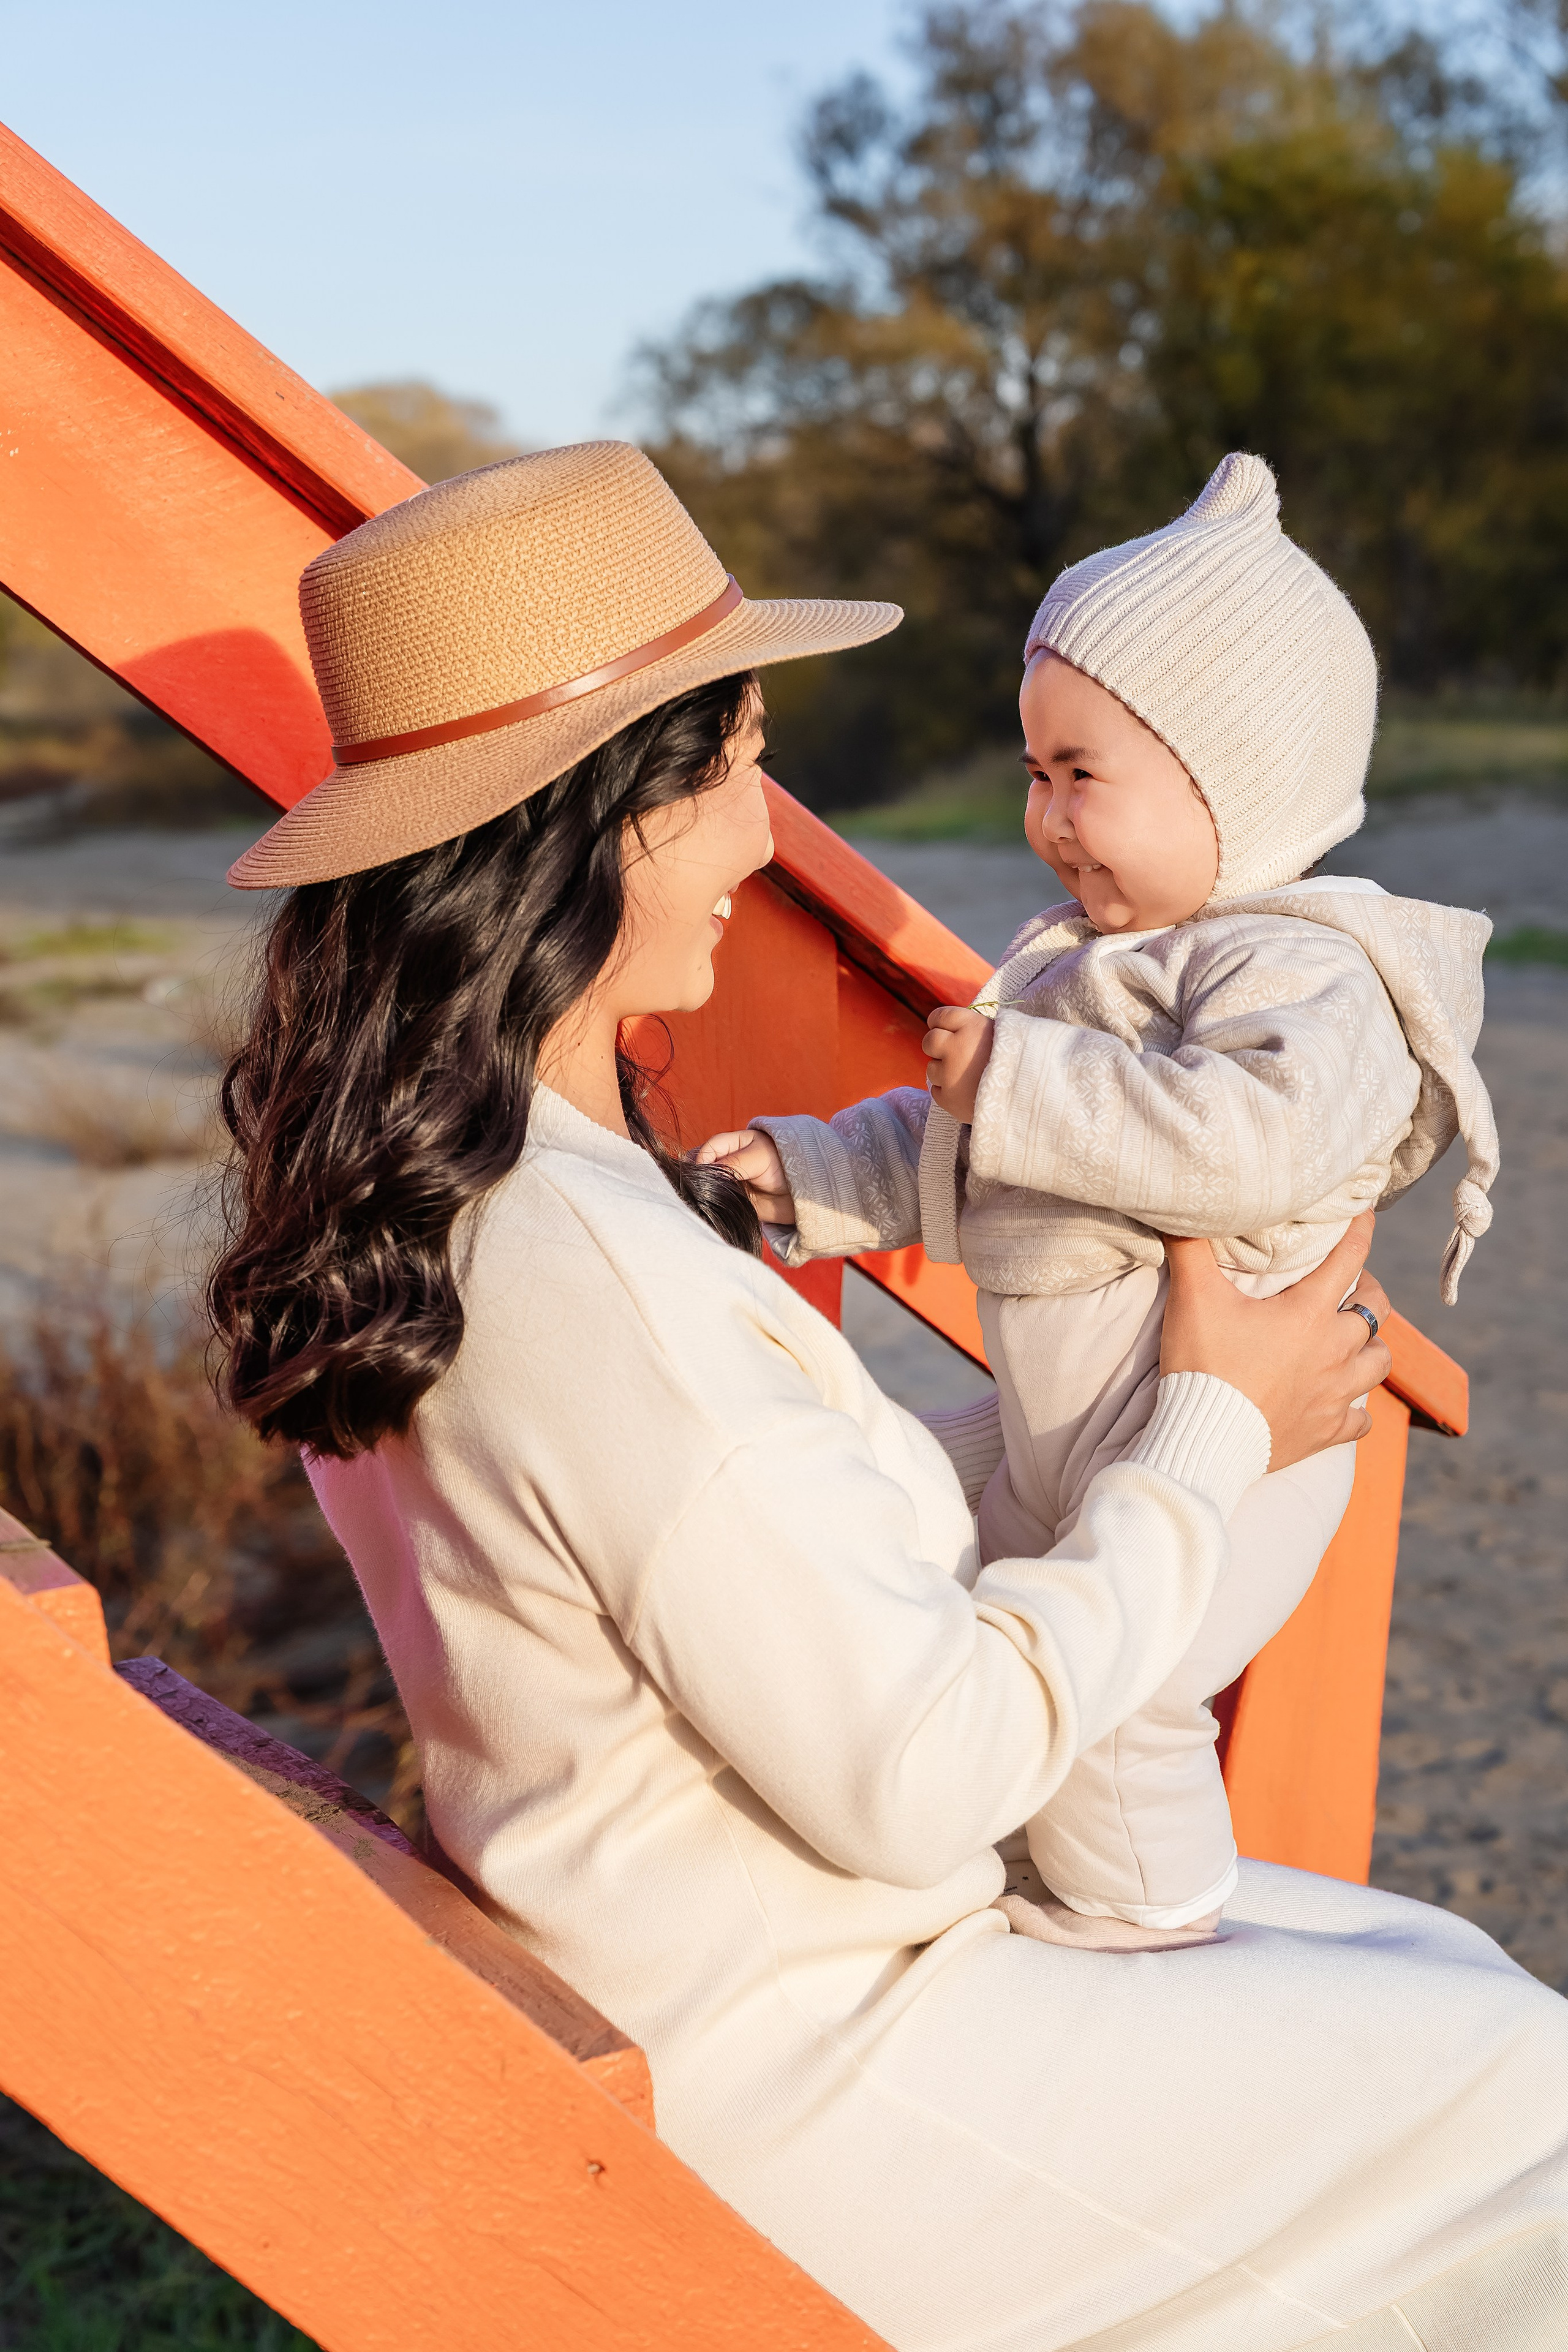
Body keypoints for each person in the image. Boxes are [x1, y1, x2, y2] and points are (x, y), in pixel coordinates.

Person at [213, 442, 1568, 2352]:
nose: (770, 839)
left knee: (1438, 1970)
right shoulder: (580, 1269)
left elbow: (727, 1544)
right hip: (820, 2071)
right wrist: (1210, 1428)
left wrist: (1076, 1435)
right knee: (1529, 2102)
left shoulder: (473, 1190)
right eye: (742, 765)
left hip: (726, 1977)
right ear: (612, 818)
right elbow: (918, 1765)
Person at [699, 454, 1499, 1952]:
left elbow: (1241, 1145)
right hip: (1066, 1424)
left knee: (1125, 1697)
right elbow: (979, 1147)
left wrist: (1015, 1079)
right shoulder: (1087, 963)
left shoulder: (1303, 976)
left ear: (1235, 784)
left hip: (1221, 1442)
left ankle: (1156, 1927)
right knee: (900, 1552)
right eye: (1031, 772)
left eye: (1082, 773)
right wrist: (814, 1173)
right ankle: (1000, 1870)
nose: (1047, 817)